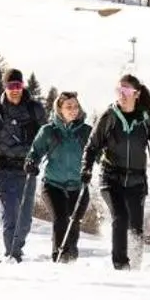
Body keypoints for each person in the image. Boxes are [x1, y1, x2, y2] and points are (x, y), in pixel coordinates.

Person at [81, 72, 150, 271]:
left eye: (126, 90)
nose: (121, 94)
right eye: (119, 90)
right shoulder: (109, 117)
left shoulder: (145, 119)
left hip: (136, 180)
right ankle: (121, 265)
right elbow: (92, 146)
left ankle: (136, 266)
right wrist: (87, 167)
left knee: (136, 228)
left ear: (137, 93)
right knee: (120, 217)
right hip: (110, 178)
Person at [0, 67, 45, 261]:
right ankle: (12, 255)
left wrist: (38, 159)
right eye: (11, 85)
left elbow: (46, 140)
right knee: (11, 214)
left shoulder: (35, 110)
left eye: (18, 85)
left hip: (27, 171)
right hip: (3, 170)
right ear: (5, 87)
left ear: (23, 86)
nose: (15, 89)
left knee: (25, 220)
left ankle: (16, 250)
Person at [26, 91, 91, 263]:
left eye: (75, 106)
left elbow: (98, 153)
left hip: (78, 185)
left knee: (74, 222)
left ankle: (71, 257)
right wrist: (31, 162)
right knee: (61, 218)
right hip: (53, 185)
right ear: (59, 109)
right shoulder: (48, 131)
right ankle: (60, 257)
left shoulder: (86, 132)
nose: (73, 110)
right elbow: (35, 152)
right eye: (68, 106)